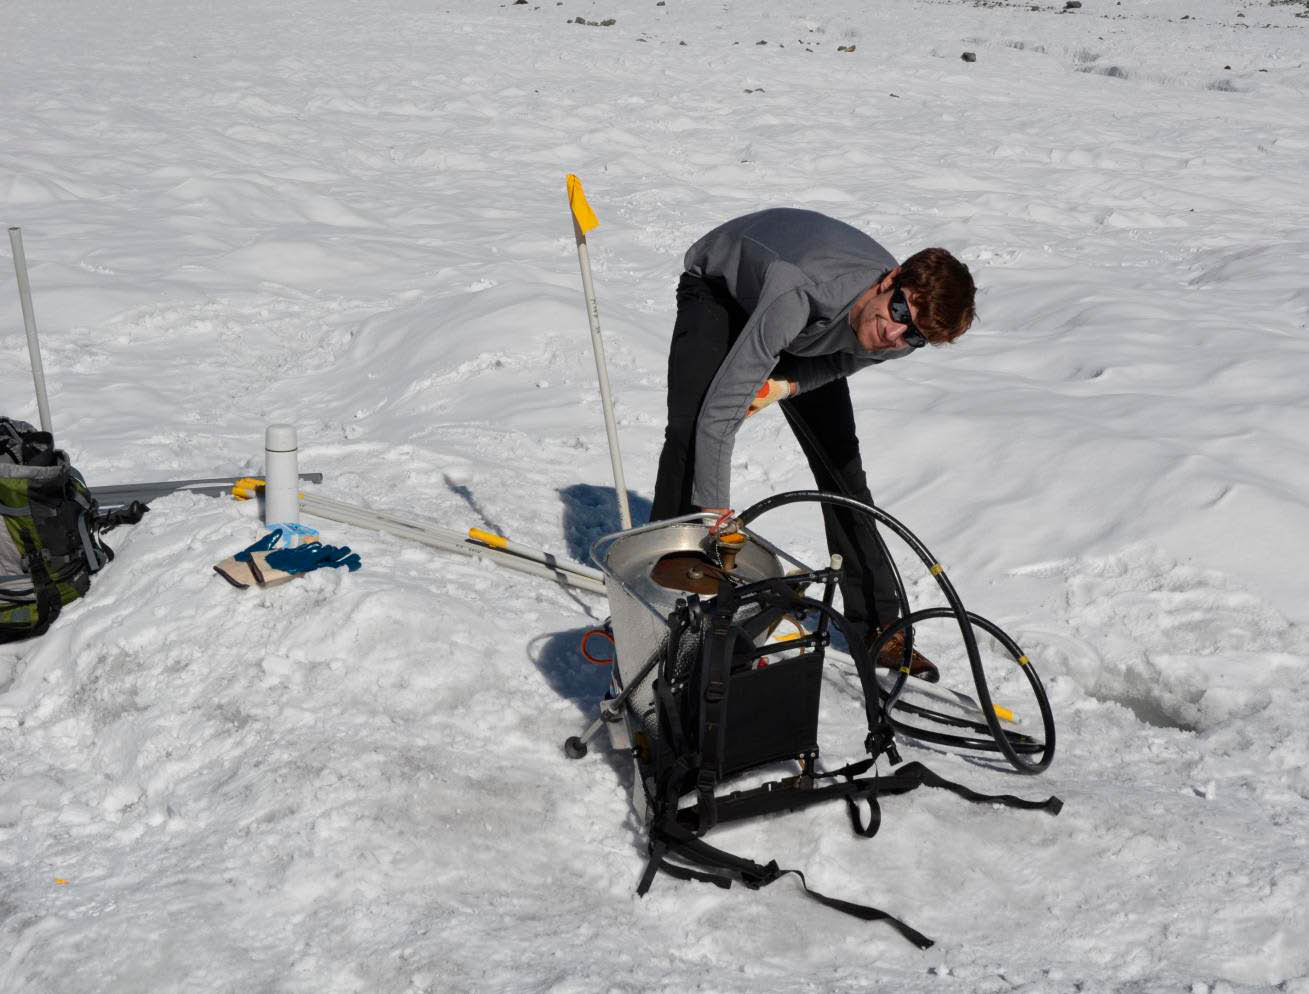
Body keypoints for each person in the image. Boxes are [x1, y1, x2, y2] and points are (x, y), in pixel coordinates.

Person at [649, 207, 977, 680]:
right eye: (901, 311)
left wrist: (786, 385)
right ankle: (669, 574)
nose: (895, 333)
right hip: (723, 295)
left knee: (843, 471)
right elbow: (720, 415)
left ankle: (882, 629)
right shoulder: (799, 289)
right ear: (890, 280)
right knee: (694, 423)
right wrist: (714, 514)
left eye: (916, 336)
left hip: (806, 333)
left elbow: (841, 362)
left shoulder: (896, 335)